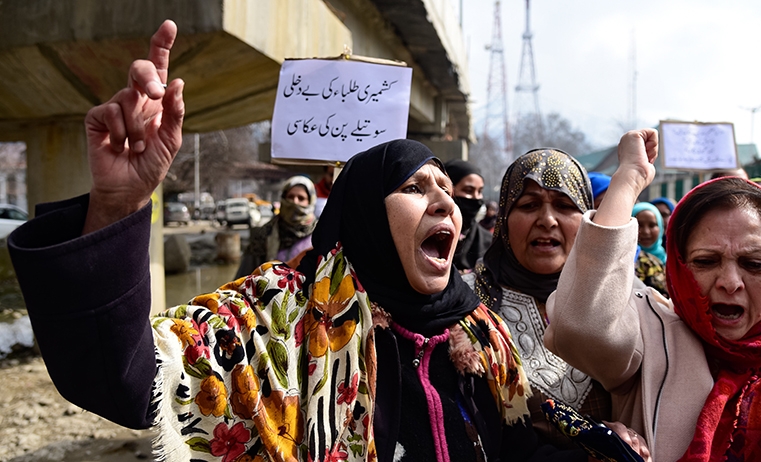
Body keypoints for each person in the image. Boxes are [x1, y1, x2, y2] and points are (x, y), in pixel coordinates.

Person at [8, 21, 623, 462]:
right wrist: (116, 207)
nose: (444, 202)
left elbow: (518, 442)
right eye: (415, 187)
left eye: (446, 189)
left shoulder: (480, 331)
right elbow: (125, 376)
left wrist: (602, 446)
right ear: (364, 216)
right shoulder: (282, 316)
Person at [544, 128, 761, 461]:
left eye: (754, 263)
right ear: (678, 266)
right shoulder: (651, 337)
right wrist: (629, 179)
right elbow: (580, 323)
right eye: (706, 261)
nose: (730, 282)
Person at [468, 148, 615, 448]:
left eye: (564, 205)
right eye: (529, 205)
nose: (547, 220)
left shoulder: (619, 299)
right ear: (504, 218)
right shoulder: (466, 302)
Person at [235, 175, 317, 277]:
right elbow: (245, 276)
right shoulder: (263, 235)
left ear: (310, 201)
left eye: (301, 198)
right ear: (283, 198)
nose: (295, 202)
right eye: (290, 197)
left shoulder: (321, 234)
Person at [444, 159, 492, 272]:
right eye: (469, 190)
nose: (476, 198)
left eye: (480, 191)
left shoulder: (488, 242)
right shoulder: (430, 237)